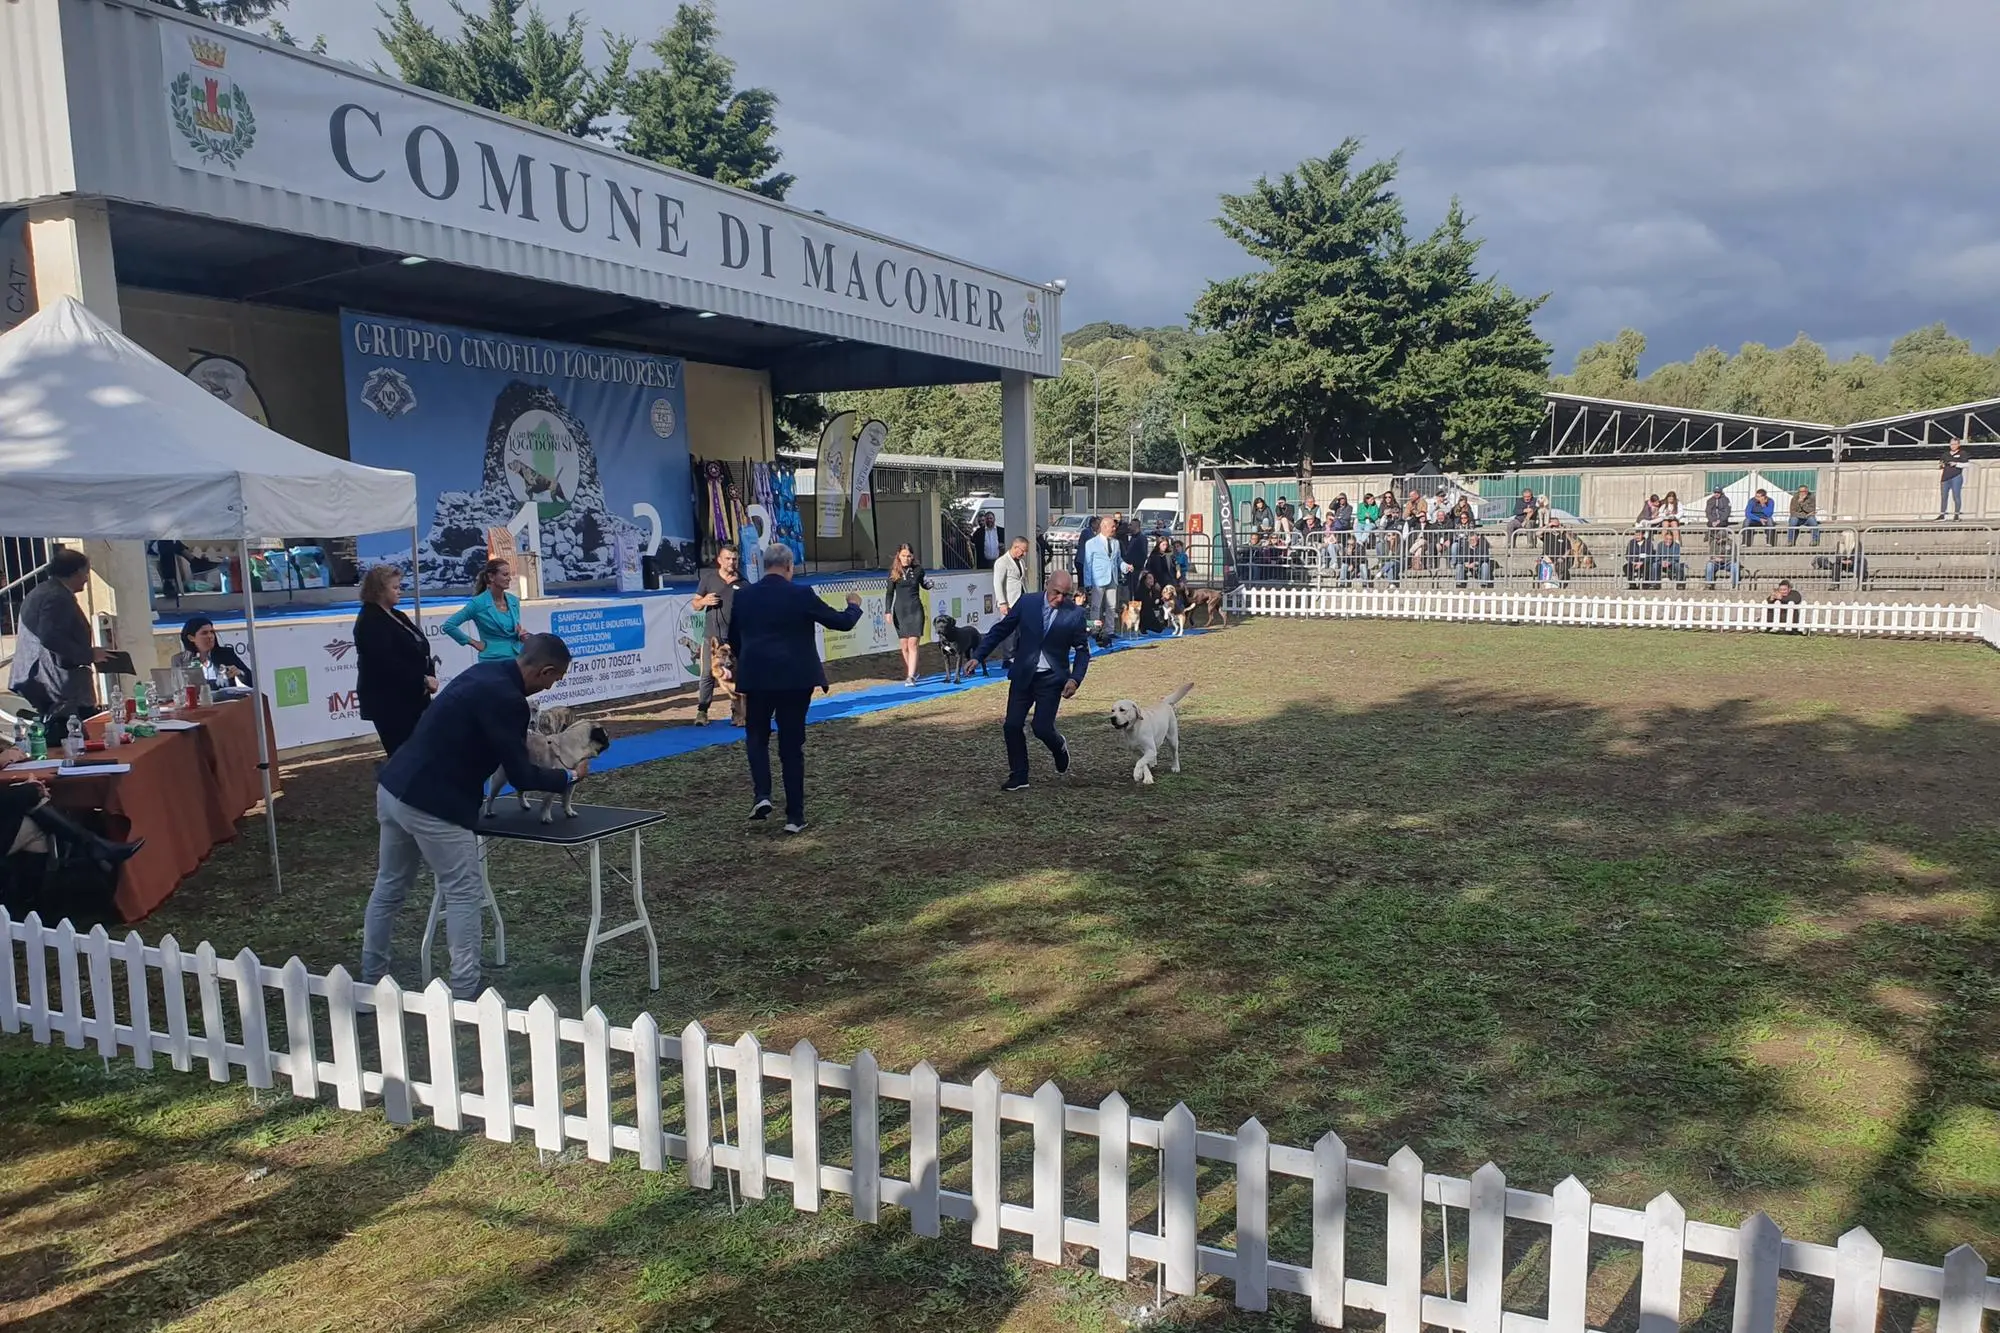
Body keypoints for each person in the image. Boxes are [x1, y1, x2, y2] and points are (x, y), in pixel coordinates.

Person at [362, 634, 584, 1000]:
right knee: (463, 893)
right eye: (554, 679)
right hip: (434, 803)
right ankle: (464, 992)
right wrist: (569, 776)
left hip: (393, 787)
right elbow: (522, 776)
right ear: (544, 671)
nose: (552, 686)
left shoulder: (483, 674)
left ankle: (369, 984)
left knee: (388, 888)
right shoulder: (509, 701)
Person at [728, 544, 865, 833]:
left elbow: (734, 640)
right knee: (791, 747)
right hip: (794, 679)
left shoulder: (744, 596)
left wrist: (750, 664)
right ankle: (795, 816)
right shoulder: (801, 594)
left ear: (765, 566)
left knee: (756, 738)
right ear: (789, 565)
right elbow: (840, 623)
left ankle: (762, 794)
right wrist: (854, 605)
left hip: (758, 678)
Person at [971, 569, 1091, 793]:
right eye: (1056, 592)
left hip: (1052, 678)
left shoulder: (1075, 614)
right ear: (1047, 584)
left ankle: (1059, 746)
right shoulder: (1027, 603)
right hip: (1024, 673)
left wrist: (1075, 679)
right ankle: (1019, 775)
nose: (1060, 599)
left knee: (1041, 728)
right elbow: (1001, 629)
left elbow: (1083, 651)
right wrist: (979, 656)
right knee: (1012, 725)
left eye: (1065, 594)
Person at [10, 548, 112, 717]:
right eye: (86, 573)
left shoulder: (43, 590)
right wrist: (89, 655)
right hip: (54, 685)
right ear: (77, 572)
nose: (87, 579)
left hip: (39, 678)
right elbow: (50, 637)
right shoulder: (57, 596)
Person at [353, 564, 437, 759]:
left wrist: (429, 675)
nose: (400, 591)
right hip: (391, 702)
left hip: (415, 698)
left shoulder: (397, 615)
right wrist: (422, 679)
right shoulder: (370, 621)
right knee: (405, 756)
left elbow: (420, 647)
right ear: (379, 590)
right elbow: (385, 663)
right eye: (395, 587)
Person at [693, 546, 748, 725]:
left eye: (734, 559)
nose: (732, 562)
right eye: (728, 558)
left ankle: (737, 713)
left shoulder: (743, 582)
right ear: (719, 560)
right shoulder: (708, 579)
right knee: (707, 674)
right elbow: (695, 604)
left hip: (735, 638)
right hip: (712, 637)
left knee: (736, 675)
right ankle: (702, 712)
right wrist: (704, 601)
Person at [441, 558, 525, 662]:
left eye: (509, 575)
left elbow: (515, 631)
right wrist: (474, 643)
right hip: (492, 661)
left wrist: (522, 635)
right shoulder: (478, 603)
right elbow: (449, 626)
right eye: (505, 575)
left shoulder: (513, 601)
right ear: (491, 577)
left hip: (517, 659)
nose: (509, 579)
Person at [884, 543, 932, 687]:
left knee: (913, 643)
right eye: (904, 555)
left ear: (913, 556)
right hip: (900, 611)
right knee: (904, 645)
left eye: (909, 556)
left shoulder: (918, 570)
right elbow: (889, 593)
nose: (906, 558)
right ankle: (913, 670)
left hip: (915, 610)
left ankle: (910, 676)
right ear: (898, 555)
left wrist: (929, 584)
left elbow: (924, 584)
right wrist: (888, 611)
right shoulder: (894, 572)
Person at [171, 616, 254, 690]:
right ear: (191, 638)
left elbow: (252, 681)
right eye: (204, 633)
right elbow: (177, 687)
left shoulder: (226, 654)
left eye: (212, 632)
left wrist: (240, 673)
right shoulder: (180, 660)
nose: (210, 636)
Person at [1080, 516, 1128, 636]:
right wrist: (1088, 583)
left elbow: (1118, 560)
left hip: (1113, 578)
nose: (1114, 528)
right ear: (1104, 527)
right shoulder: (1091, 543)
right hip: (1098, 579)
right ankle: (1095, 630)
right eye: (1112, 526)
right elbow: (1088, 563)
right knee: (1096, 607)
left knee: (1111, 607)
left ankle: (1110, 630)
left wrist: (1125, 566)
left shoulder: (1116, 543)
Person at [991, 535, 1031, 670]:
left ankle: (1019, 655)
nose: (1024, 554)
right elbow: (998, 583)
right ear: (1015, 547)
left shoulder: (1021, 562)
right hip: (1009, 601)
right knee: (1009, 631)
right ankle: (1008, 658)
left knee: (1021, 630)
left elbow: (1022, 580)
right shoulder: (1002, 562)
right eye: (1023, 550)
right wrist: (1002, 602)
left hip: (1021, 600)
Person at [1938, 440, 1969, 520]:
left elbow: (1967, 464)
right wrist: (1941, 465)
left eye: (1955, 444)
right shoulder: (1945, 454)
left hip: (1956, 476)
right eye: (1951, 444)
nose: (1953, 446)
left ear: (1958, 445)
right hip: (1945, 478)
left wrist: (1956, 464)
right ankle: (1942, 514)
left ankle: (1956, 515)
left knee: (1956, 496)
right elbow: (1940, 464)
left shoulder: (1962, 453)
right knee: (1944, 496)